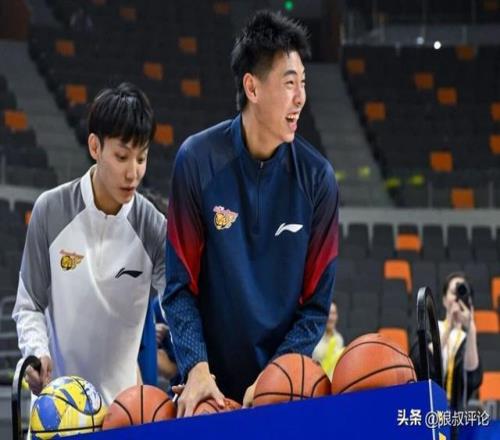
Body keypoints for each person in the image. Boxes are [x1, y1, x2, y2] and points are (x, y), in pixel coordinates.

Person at [163, 10, 339, 417]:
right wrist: (196, 368)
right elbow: (179, 287)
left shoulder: (319, 180)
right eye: (289, 83)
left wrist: (273, 380)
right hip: (208, 390)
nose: (300, 97)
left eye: (303, 83)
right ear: (252, 87)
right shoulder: (196, 161)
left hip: (279, 391)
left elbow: (315, 308)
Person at [12, 82, 166, 405]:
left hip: (122, 416)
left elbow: (180, 306)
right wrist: (37, 352)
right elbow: (29, 305)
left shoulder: (154, 227)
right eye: (122, 157)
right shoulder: (50, 210)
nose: (133, 173)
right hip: (57, 412)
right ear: (95, 147)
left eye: (142, 158)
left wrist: (196, 366)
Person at [439, 272, 482, 409]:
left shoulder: (468, 338)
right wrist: (449, 327)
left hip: (457, 412)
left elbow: (473, 376)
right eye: (454, 292)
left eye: (462, 292)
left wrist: (470, 326)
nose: (457, 298)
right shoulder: (434, 328)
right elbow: (425, 360)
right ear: (444, 299)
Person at [312, 301, 344, 380]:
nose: (331, 317)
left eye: (334, 313)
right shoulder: (314, 338)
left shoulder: (339, 339)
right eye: (329, 313)